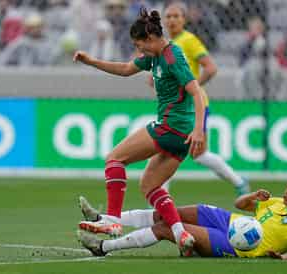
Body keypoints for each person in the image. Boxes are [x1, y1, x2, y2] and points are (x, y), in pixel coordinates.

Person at [73, 8, 206, 256]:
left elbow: (197, 92)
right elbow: (125, 69)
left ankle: (112, 219)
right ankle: (181, 234)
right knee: (151, 186)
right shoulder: (155, 56)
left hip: (171, 127)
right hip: (180, 139)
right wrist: (91, 61)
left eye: (140, 45)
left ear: (151, 39)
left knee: (114, 158)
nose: (139, 50)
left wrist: (199, 130)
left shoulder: (171, 57)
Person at [78, 173, 287, 259]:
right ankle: (105, 220)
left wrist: (282, 258)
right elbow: (239, 203)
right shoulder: (275, 202)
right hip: (232, 221)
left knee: (167, 228)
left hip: (239, 245)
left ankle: (103, 246)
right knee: (169, 212)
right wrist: (253, 197)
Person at [159, 2, 249, 195]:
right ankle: (239, 182)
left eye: (176, 16)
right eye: (168, 16)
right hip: (177, 106)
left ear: (184, 19)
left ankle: (160, 200)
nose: (172, 20)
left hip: (193, 105)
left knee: (173, 150)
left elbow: (211, 67)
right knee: (194, 154)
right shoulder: (166, 44)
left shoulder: (189, 40)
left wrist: (194, 87)